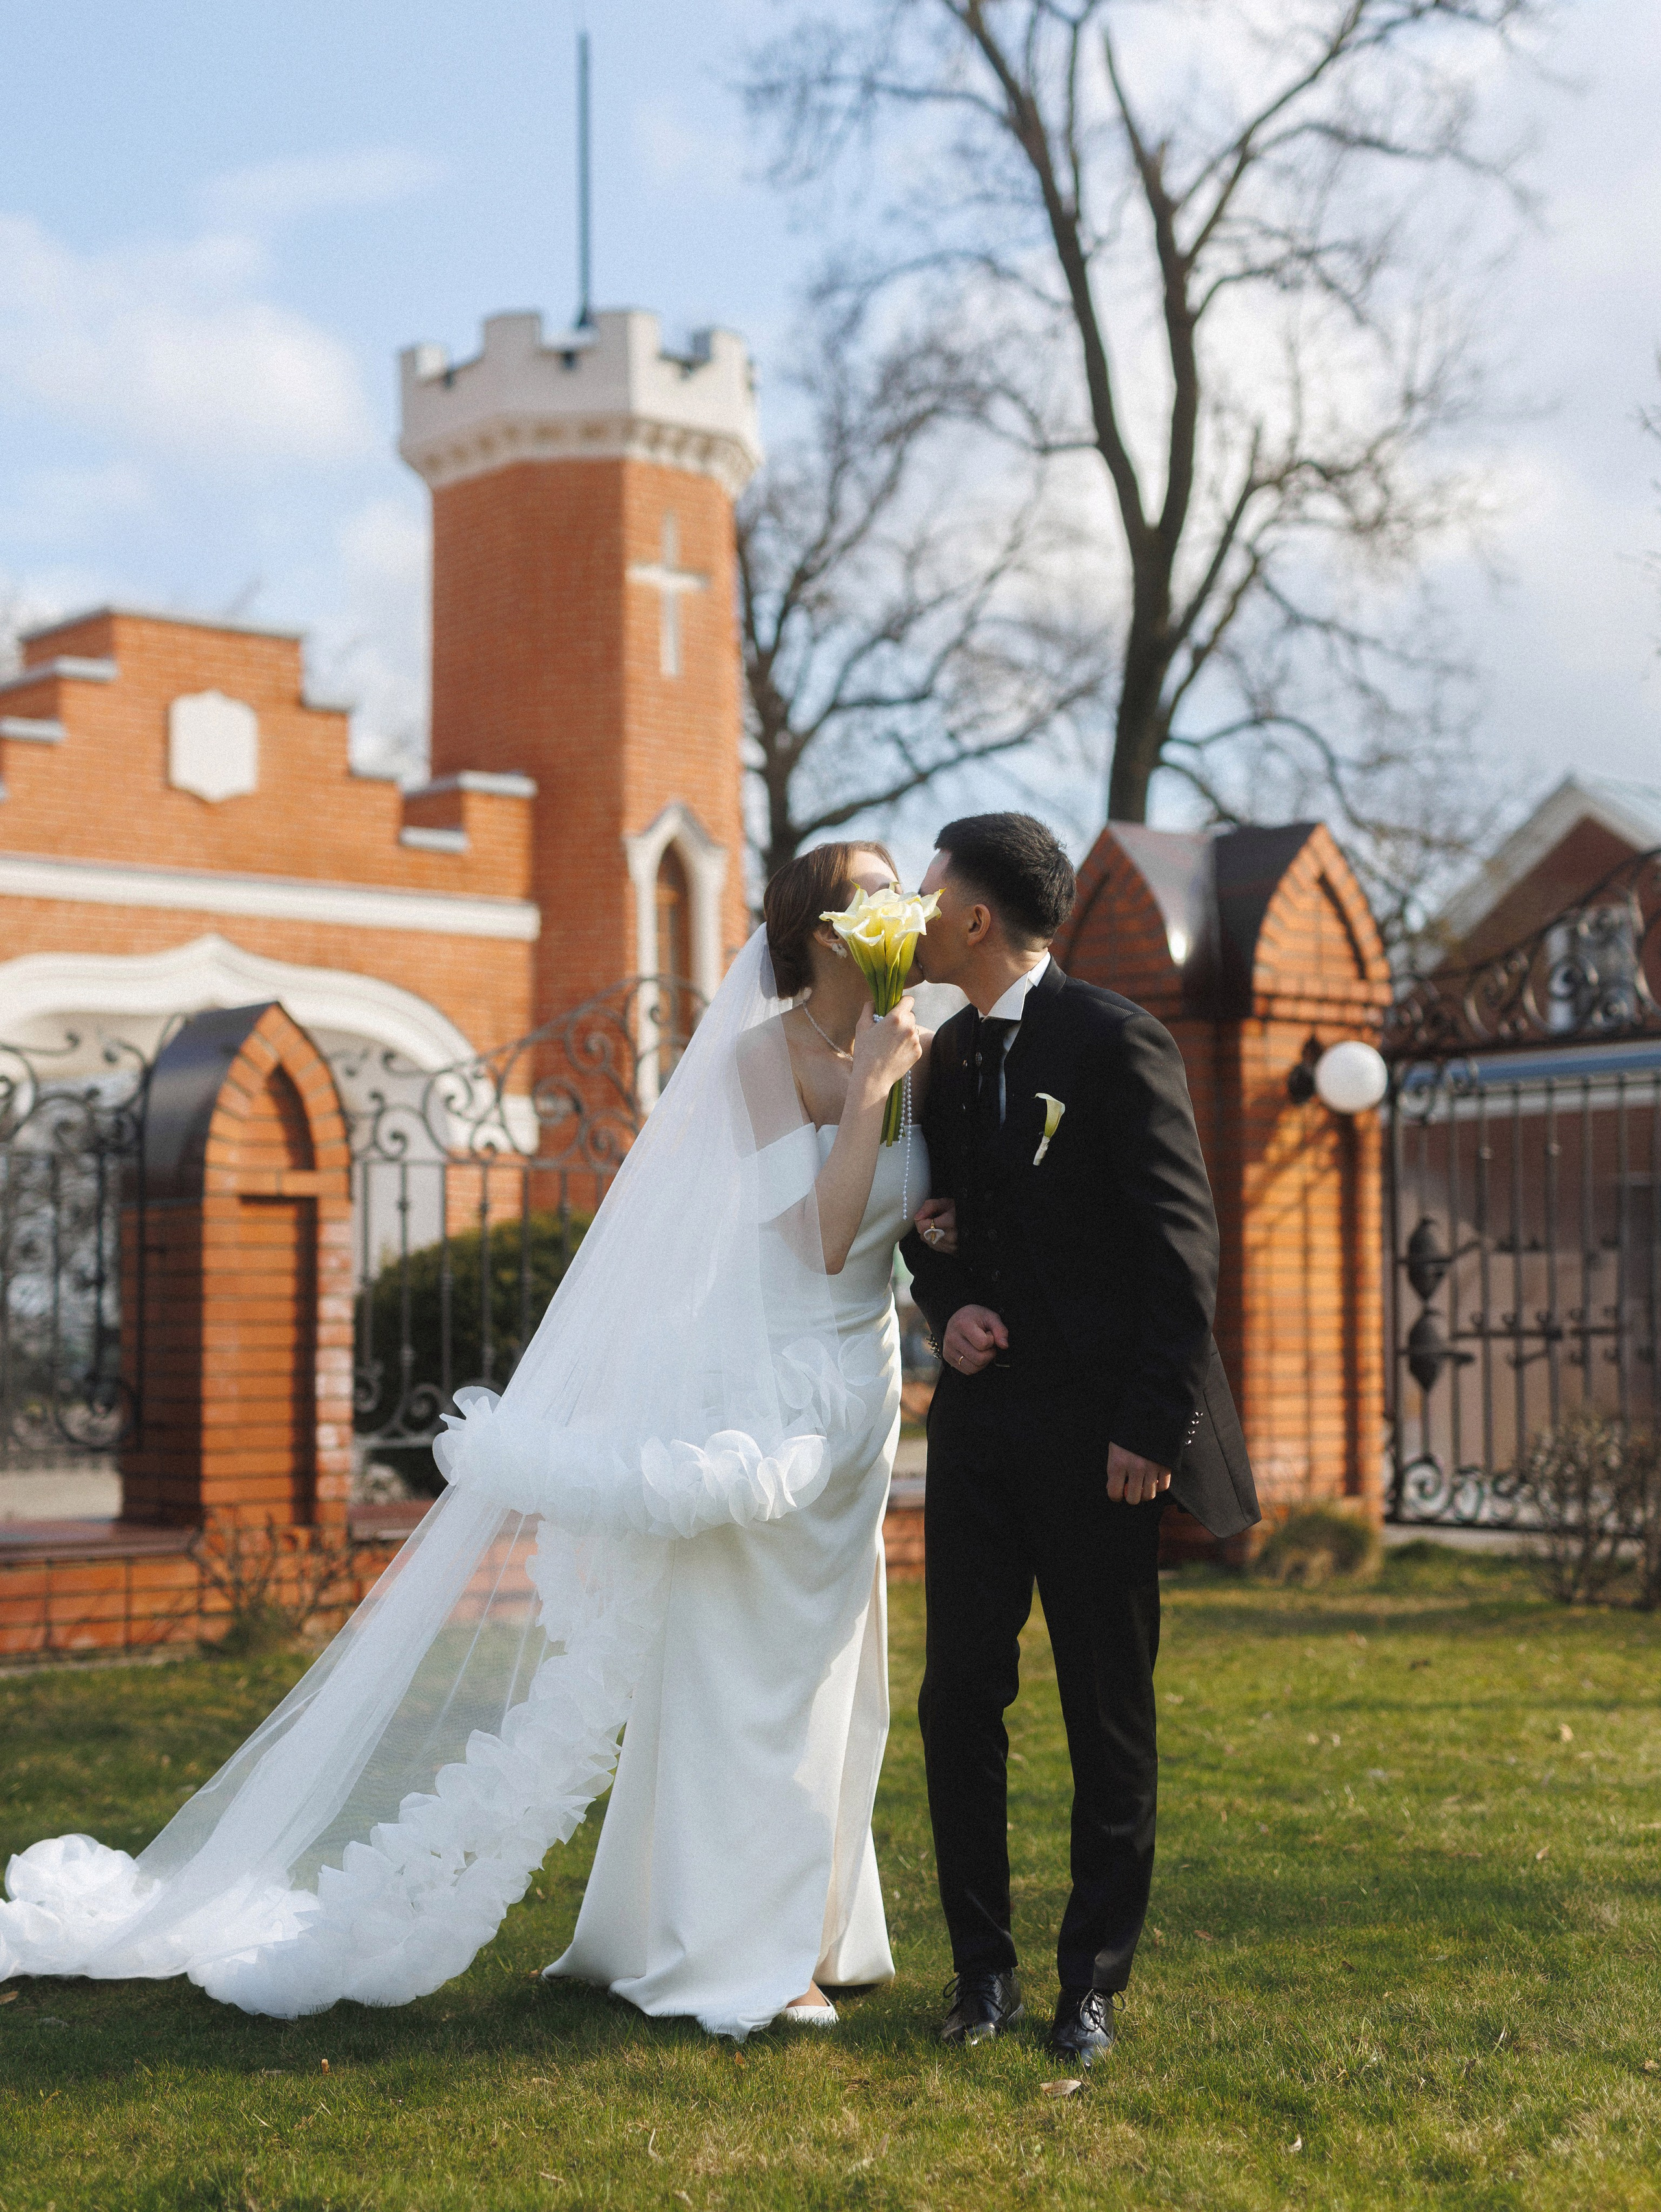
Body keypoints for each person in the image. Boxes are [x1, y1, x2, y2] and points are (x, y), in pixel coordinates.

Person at [0, 843, 946, 2042]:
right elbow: (812, 1241)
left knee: (837, 1679)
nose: (898, 907)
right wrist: (866, 1095)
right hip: (769, 1400)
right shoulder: (769, 1060)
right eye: (873, 891)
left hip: (861, 1394)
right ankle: (731, 1947)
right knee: (741, 1679)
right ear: (820, 929)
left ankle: (820, 1924)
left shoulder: (916, 1044)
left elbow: (896, 1230)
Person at [901, 812, 1257, 2066]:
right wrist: (948, 1311)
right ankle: (980, 1974)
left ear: (978, 917)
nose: (917, 903)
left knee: (1108, 1711)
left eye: (931, 888)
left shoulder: (1116, 1042)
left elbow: (1181, 1249)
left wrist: (1152, 1426)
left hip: (1107, 1440)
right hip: (981, 1435)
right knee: (958, 1702)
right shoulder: (939, 1053)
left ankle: (1090, 1984)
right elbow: (922, 1222)